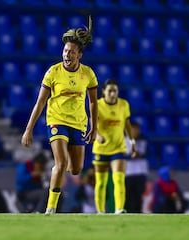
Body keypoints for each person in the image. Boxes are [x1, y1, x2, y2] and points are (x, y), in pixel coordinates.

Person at [21, 15, 98, 214]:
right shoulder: (53, 72)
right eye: (65, 51)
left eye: (71, 52)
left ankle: (56, 186)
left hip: (79, 124)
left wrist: (94, 127)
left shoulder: (88, 74)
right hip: (57, 120)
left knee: (76, 169)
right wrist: (28, 129)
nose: (67, 54)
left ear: (80, 54)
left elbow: (93, 103)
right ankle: (51, 208)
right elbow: (40, 102)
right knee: (61, 163)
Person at [92, 79, 137, 214]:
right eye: (110, 90)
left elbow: (127, 124)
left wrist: (132, 142)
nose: (112, 93)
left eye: (115, 91)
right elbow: (91, 124)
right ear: (104, 92)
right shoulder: (97, 105)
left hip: (118, 147)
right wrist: (97, 135)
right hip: (101, 148)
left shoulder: (123, 104)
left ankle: (119, 209)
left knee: (118, 179)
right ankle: (100, 212)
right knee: (101, 182)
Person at [124, 122, 149, 213]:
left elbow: (147, 153)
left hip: (140, 172)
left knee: (138, 195)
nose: (135, 132)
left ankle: (138, 213)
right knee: (128, 195)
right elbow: (123, 155)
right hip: (128, 172)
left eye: (137, 129)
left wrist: (137, 154)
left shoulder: (144, 140)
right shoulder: (124, 140)